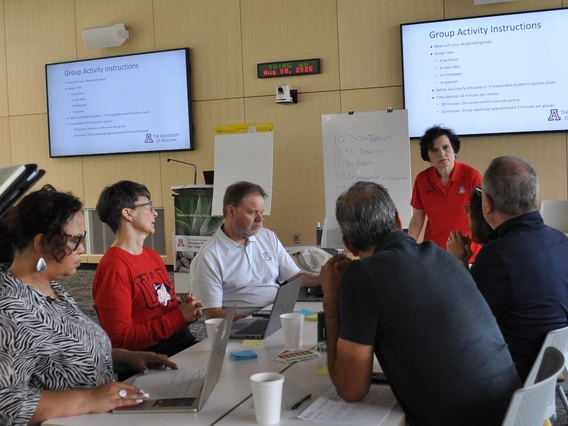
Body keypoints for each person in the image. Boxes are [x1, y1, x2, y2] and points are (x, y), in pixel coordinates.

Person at [320, 181, 520, 426]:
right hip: (514, 409)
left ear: (348, 244)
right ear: (398, 221)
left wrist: (331, 297)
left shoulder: (361, 275)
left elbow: (351, 389)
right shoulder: (443, 256)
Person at [0, 185, 176, 426]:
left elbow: (61, 357)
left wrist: (123, 357)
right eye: (76, 239)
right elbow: (7, 404)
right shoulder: (10, 311)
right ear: (41, 244)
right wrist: (89, 400)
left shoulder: (52, 288)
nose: (82, 247)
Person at [471, 155, 568, 381]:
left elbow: (462, 326)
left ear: (487, 203)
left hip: (504, 383)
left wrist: (458, 264)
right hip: (546, 377)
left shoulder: (496, 257)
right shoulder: (562, 243)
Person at [93, 180, 203, 357]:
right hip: (153, 359)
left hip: (181, 345)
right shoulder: (113, 268)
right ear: (128, 214)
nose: (155, 213)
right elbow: (119, 340)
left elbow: (160, 308)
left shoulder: (152, 256)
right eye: (149, 206)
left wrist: (183, 308)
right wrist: (179, 317)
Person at [190, 181, 319, 320]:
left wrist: (324, 278)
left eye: (261, 212)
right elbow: (213, 314)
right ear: (231, 211)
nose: (260, 219)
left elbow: (295, 277)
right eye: (252, 212)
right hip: (241, 327)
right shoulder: (209, 256)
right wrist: (253, 322)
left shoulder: (268, 237)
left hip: (278, 314)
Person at [408, 125, 482, 261]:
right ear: (428, 156)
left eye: (445, 147)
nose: (441, 154)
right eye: (434, 150)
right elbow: (417, 219)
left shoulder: (472, 176)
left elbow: (483, 216)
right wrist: (406, 248)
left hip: (469, 253)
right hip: (435, 255)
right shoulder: (422, 179)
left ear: (454, 149)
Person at [447, 187, 492, 267]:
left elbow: (466, 280)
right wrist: (463, 260)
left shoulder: (490, 256)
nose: (467, 214)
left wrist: (458, 260)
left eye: (469, 208)